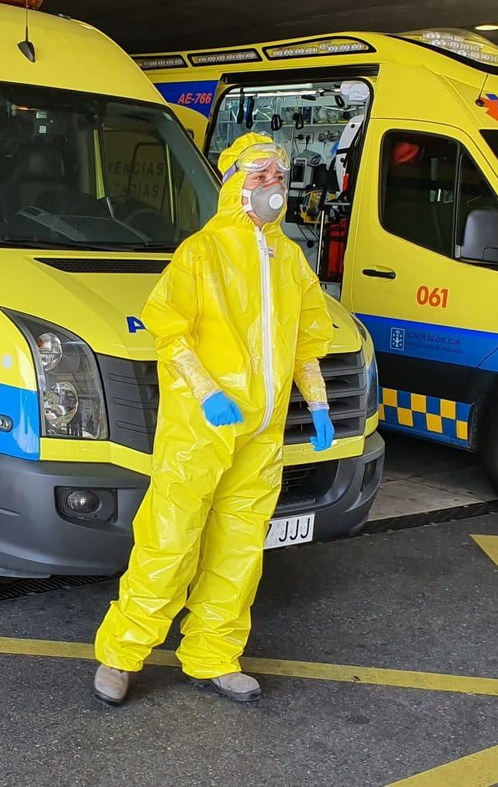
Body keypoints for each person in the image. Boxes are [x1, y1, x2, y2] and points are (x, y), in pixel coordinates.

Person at [92, 133, 337, 705]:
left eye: (277, 175)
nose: (271, 186)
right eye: (258, 176)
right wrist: (206, 393)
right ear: (233, 186)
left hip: (261, 430)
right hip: (200, 428)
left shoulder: (290, 260)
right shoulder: (200, 254)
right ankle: (121, 654)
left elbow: (307, 340)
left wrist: (318, 402)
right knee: (170, 539)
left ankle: (213, 654)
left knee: (241, 545)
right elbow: (167, 329)